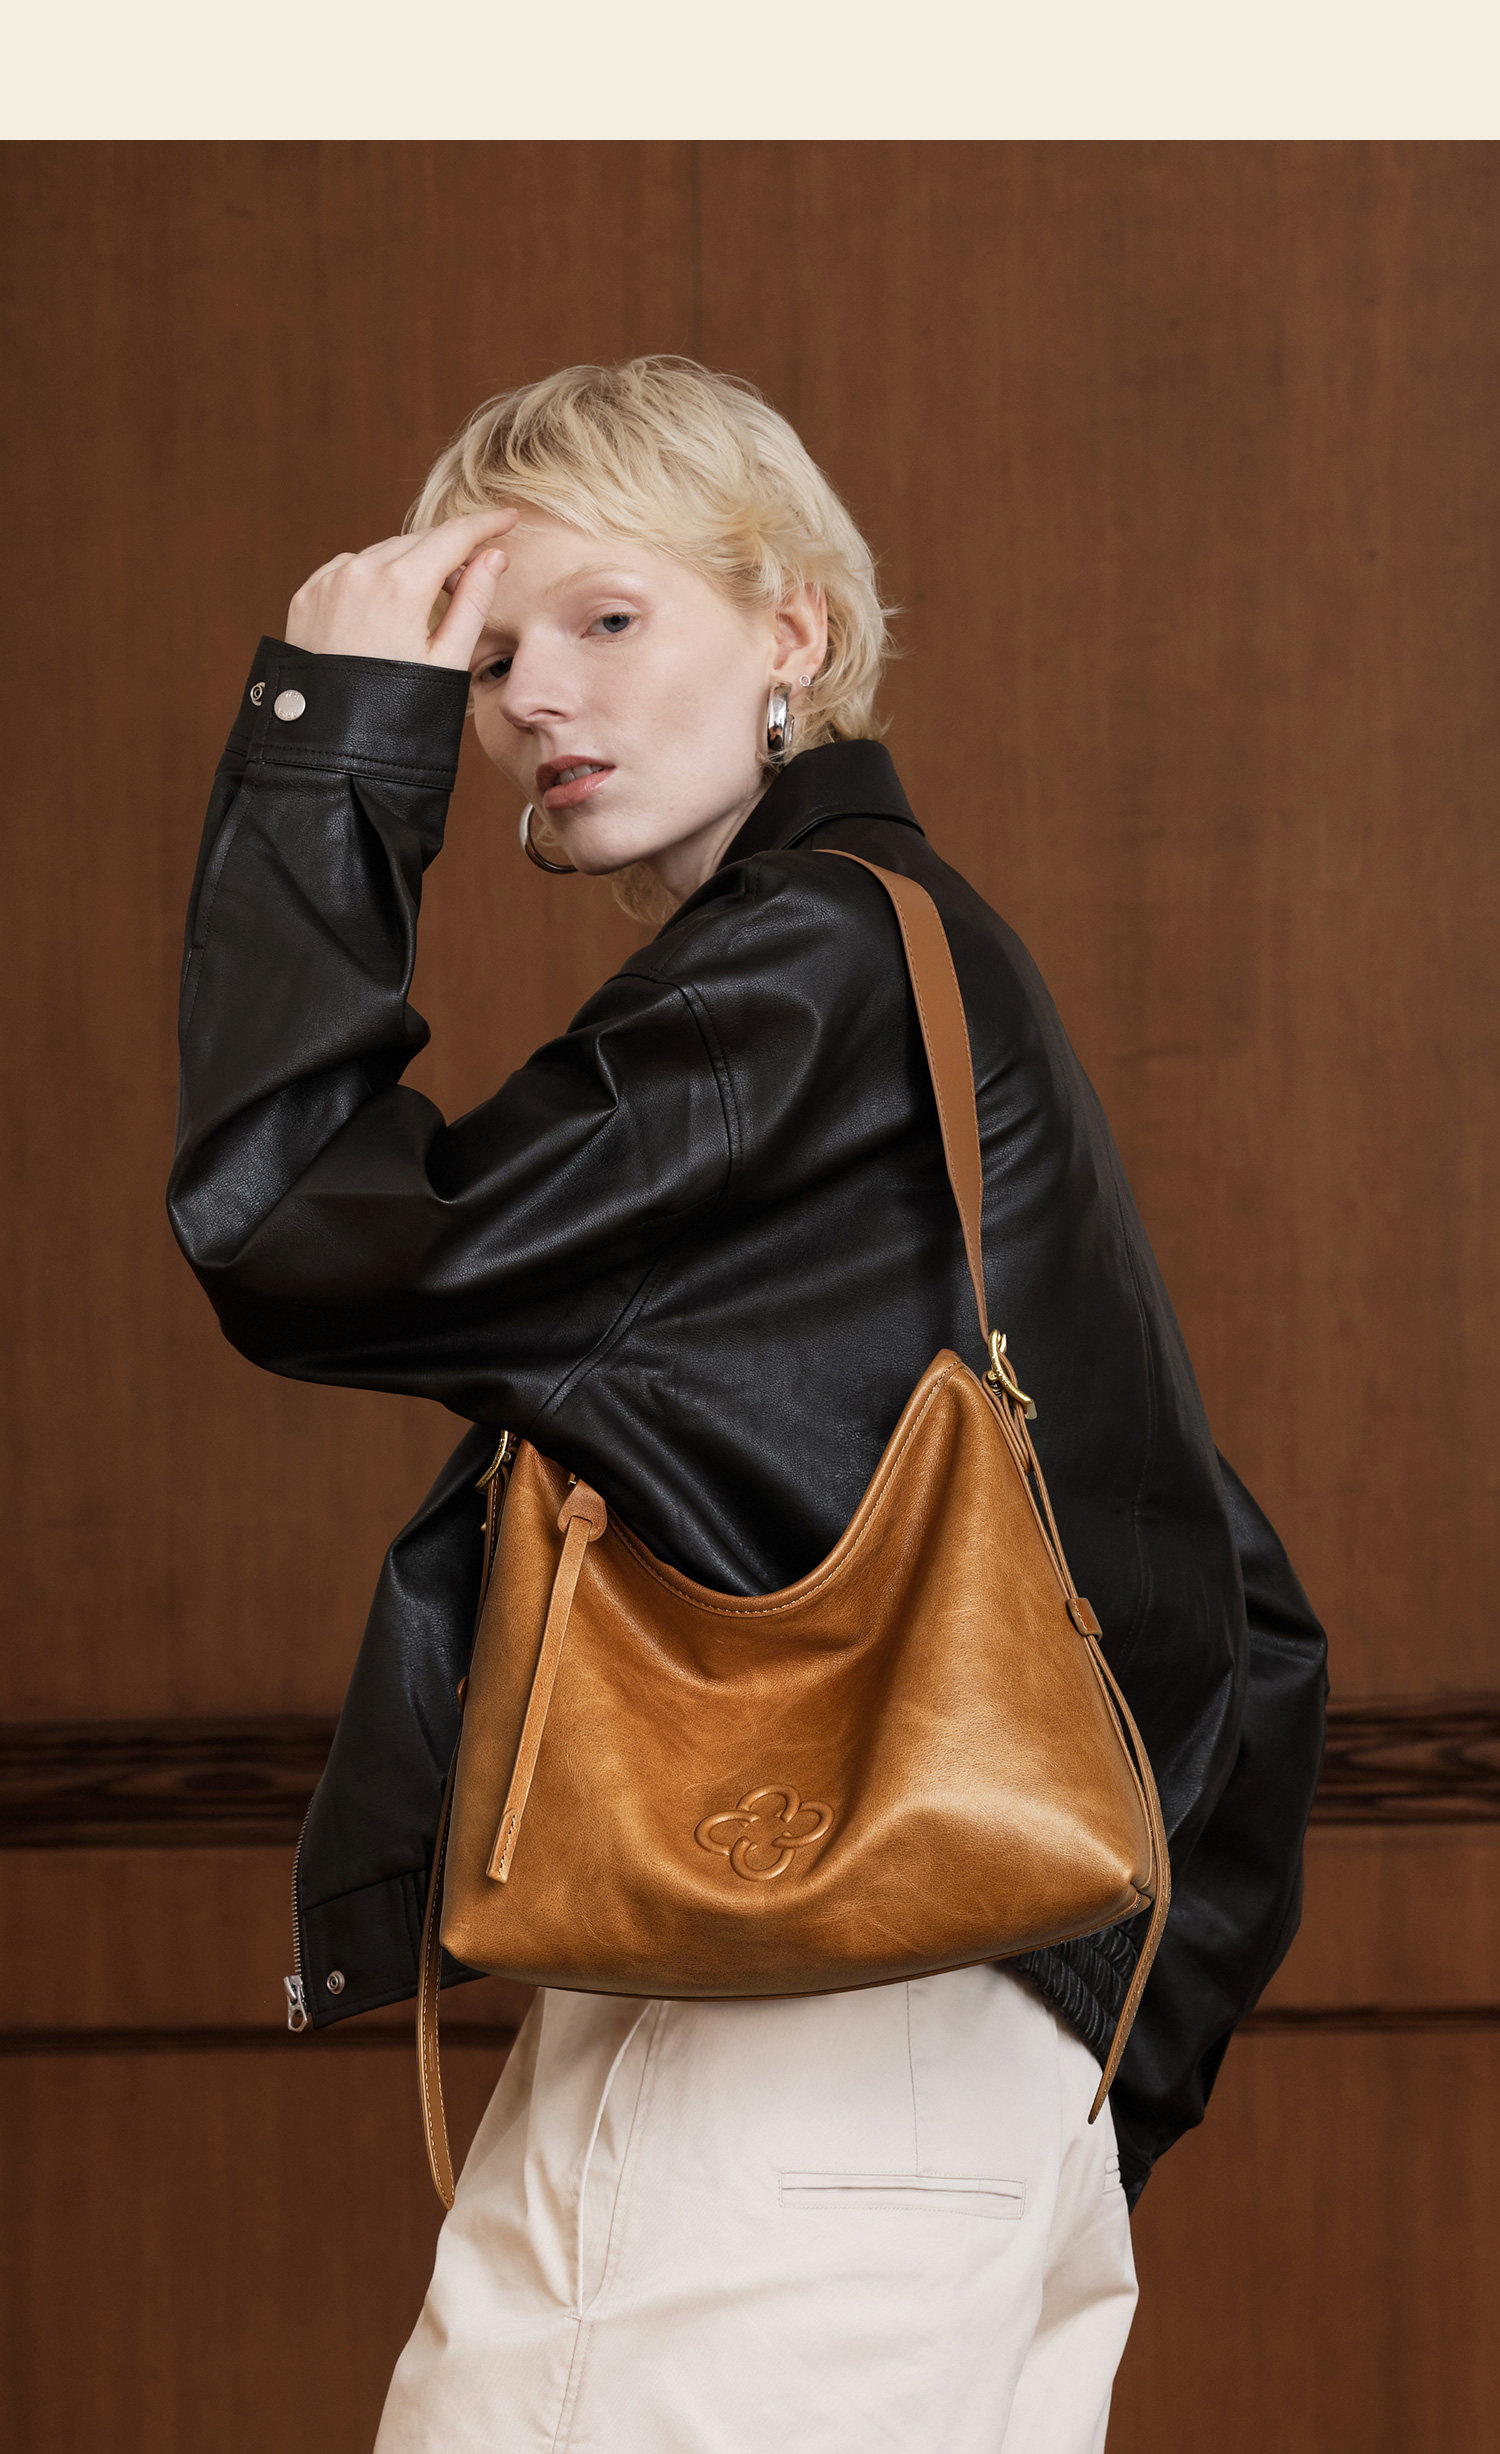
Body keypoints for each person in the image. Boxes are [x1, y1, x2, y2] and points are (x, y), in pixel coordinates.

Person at [167, 356, 1326, 2452]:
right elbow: (1234, 1596)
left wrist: (330, 734)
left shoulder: (797, 973)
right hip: (958, 2041)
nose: (534, 696)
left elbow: (293, 1227)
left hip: (791, 2042)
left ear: (794, 628)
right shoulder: (912, 963)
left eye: (608, 618)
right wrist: (1087, 2068)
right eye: (486, 659)